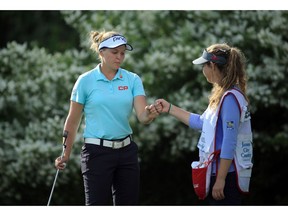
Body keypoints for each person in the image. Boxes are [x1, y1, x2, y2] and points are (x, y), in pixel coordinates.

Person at [54, 30, 162, 206]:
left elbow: (142, 116)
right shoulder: (85, 81)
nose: (119, 57)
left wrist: (150, 113)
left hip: (127, 152)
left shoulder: (132, 79)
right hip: (96, 153)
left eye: (122, 53)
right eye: (114, 52)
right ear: (101, 51)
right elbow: (73, 121)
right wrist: (65, 153)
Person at [156, 43, 253, 205]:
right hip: (217, 174)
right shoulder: (223, 95)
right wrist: (170, 108)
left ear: (213, 66)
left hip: (226, 178)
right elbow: (201, 122)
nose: (203, 71)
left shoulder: (229, 98)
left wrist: (220, 179)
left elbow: (229, 142)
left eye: (204, 66)